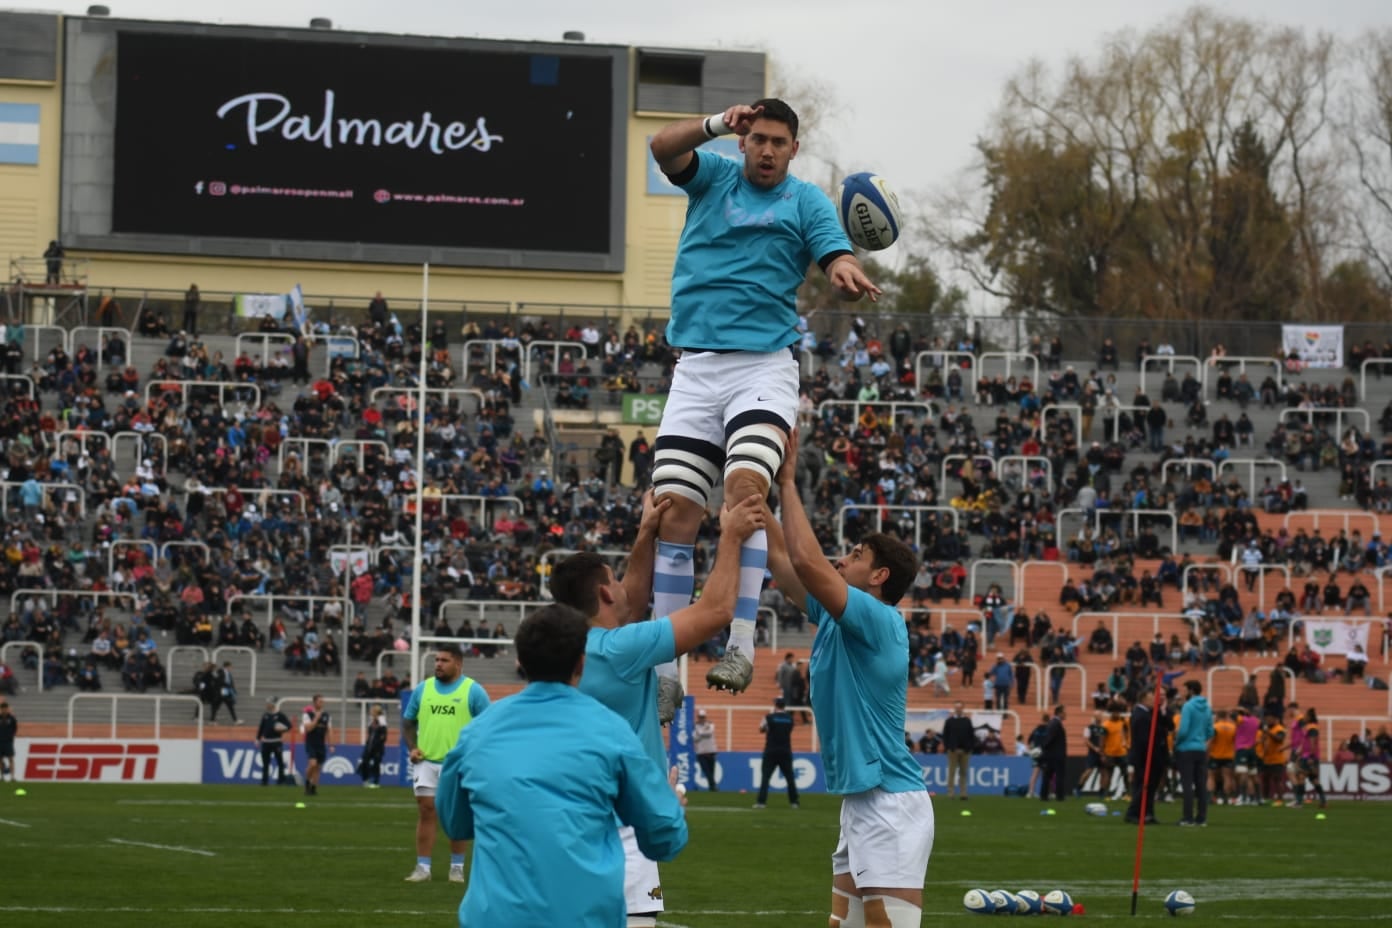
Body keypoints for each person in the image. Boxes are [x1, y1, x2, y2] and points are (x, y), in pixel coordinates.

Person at [647, 98, 880, 710]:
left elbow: (834, 247)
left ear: (794, 149)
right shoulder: (714, 177)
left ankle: (741, 643)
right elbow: (661, 148)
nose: (768, 149)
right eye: (759, 140)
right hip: (695, 367)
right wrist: (716, 123)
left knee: (746, 490)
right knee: (673, 513)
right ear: (744, 142)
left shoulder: (804, 201)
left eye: (780, 141)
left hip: (762, 369)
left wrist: (843, 268)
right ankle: (669, 670)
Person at [548, 490, 764, 927]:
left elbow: (631, 598)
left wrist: (647, 534)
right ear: (605, 593)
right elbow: (717, 609)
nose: (625, 588)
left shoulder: (565, 649)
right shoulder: (621, 651)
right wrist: (731, 537)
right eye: (615, 581)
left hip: (568, 826)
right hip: (622, 828)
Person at [766, 429, 933, 928]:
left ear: (879, 577)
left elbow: (808, 563)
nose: (844, 559)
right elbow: (783, 561)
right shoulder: (841, 616)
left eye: (856, 556)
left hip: (890, 801)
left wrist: (790, 482)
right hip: (863, 802)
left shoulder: (879, 620)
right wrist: (753, 493)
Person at [436, 605, 688, 928]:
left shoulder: (475, 733)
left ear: (521, 662)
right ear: (582, 663)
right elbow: (664, 839)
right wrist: (670, 807)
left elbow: (455, 825)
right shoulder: (612, 733)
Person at [402, 642, 491, 883]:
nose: (438, 665)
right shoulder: (423, 689)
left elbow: (488, 726)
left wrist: (475, 754)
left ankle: (457, 868)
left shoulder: (473, 691)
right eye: (436, 660)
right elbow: (408, 722)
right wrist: (413, 747)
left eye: (444, 660)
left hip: (459, 764)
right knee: (426, 810)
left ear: (458, 664)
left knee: (456, 815)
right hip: (426, 761)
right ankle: (423, 868)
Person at [1125, 687, 1171, 824]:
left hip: (1152, 757)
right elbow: (1143, 740)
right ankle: (1133, 813)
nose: (1155, 700)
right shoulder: (1141, 715)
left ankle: (1147, 813)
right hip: (1145, 758)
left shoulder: (1148, 713)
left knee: (1150, 787)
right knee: (1143, 786)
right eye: (1152, 698)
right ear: (1144, 698)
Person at [1174, 679, 1214, 826]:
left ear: (1190, 690)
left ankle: (1187, 817)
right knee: (1200, 785)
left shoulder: (1188, 706)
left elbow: (1183, 730)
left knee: (1187, 785)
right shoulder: (1208, 707)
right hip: (1200, 749)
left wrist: (1177, 741)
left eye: (1184, 690)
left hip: (1186, 749)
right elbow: (1211, 731)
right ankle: (1201, 818)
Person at [754, 696, 798, 808]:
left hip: (771, 751)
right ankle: (794, 802)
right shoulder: (790, 718)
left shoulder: (769, 717)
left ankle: (761, 802)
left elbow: (761, 729)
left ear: (776, 705)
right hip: (785, 750)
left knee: (765, 777)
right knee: (790, 778)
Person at [942, 700, 976, 800]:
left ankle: (963, 793)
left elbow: (971, 735)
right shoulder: (949, 721)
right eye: (956, 708)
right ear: (954, 709)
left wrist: (969, 748)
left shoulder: (967, 721)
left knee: (963, 772)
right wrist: (948, 747)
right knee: (951, 772)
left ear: (962, 709)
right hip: (952, 750)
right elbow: (945, 735)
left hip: (965, 751)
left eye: (960, 708)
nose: (958, 709)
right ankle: (951, 793)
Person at [254, 698, 291, 786]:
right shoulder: (265, 715)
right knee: (265, 763)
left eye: (268, 703)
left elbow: (289, 726)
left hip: (276, 741)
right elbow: (261, 728)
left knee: (280, 762)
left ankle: (280, 780)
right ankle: (264, 781)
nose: (267, 705)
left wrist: (282, 729)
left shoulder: (280, 715)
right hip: (266, 742)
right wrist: (257, 739)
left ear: (273, 704)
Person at [300, 694, 331, 798]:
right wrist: (316, 719)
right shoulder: (307, 714)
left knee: (318, 767)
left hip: (321, 744)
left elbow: (329, 730)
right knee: (312, 764)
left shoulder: (326, 715)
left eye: (323, 701)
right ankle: (307, 782)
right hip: (311, 743)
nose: (322, 703)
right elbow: (308, 729)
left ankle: (313, 789)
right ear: (314, 702)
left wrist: (331, 744)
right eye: (319, 701)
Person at [1038, 705, 1068, 802]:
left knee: (1047, 775)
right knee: (1059, 776)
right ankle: (1059, 796)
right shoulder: (1055, 724)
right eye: (1064, 712)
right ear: (1059, 713)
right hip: (1056, 755)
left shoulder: (1053, 723)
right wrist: (1044, 749)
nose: (1065, 714)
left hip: (1051, 754)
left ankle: (1044, 795)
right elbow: (1049, 739)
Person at [360, 703, 388, 788]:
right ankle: (366, 779)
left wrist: (379, 743)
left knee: (376, 764)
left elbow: (383, 735)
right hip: (369, 746)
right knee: (365, 762)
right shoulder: (371, 720)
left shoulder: (382, 721)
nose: (371, 712)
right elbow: (370, 732)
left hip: (377, 747)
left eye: (373, 710)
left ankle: (376, 782)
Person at [693, 708, 719, 791]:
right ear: (698, 717)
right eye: (700, 717)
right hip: (701, 753)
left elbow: (709, 733)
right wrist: (703, 731)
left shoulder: (710, 724)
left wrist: (700, 732)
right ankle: (713, 786)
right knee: (706, 771)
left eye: (703, 717)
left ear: (705, 717)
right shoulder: (696, 726)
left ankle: (712, 787)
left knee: (711, 771)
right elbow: (694, 738)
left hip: (711, 751)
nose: (701, 718)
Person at [0, 700, 16, 782]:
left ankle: (12, 777)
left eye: (6, 708)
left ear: (7, 709)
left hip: (8, 742)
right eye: (3, 709)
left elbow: (14, 729)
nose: (4, 710)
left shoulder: (11, 718)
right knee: (0, 759)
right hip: (0, 741)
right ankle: (2, 777)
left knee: (11, 759)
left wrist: (10, 737)